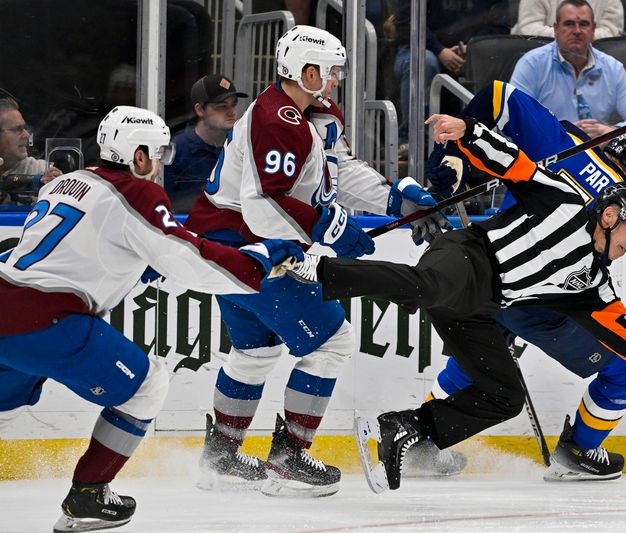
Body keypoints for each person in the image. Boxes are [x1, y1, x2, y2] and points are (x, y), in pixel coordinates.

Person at [287, 114, 626, 492]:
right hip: (468, 255)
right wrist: (467, 132)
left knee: (505, 396)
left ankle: (408, 429)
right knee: (428, 285)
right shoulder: (566, 197)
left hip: (485, 306)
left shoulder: (592, 283)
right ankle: (317, 272)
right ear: (613, 215)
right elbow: (515, 164)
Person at [0, 105, 303, 532]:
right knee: (146, 385)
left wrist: (140, 260)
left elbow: (80, 247)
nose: (159, 163)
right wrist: (257, 261)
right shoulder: (137, 192)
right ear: (137, 156)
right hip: (48, 317)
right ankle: (88, 494)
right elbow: (188, 259)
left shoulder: (69, 182)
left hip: (6, 304)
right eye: (156, 153)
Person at [184, 25, 442, 497]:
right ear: (305, 71)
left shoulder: (313, 113)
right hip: (253, 249)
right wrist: (330, 227)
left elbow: (337, 171)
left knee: (255, 351)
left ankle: (222, 458)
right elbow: (265, 202)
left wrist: (394, 199)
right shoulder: (277, 120)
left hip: (227, 249)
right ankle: (289, 460)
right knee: (331, 342)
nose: (337, 79)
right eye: (331, 71)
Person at [411, 80, 626, 480]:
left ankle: (420, 445)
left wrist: (446, 160)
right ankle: (580, 451)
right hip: (546, 303)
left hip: (493, 280)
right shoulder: (611, 191)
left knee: (474, 362)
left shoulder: (565, 146)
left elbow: (499, 96)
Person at [391, 0, 512, 147]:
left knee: (492, 58)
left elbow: (500, 24)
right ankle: (410, 141)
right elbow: (405, 23)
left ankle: (482, 143)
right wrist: (440, 50)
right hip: (421, 48)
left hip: (470, 50)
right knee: (424, 62)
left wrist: (472, 48)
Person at [510, 0, 626, 138]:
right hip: (546, 152)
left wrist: (610, 131)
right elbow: (515, 120)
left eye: (584, 24)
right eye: (569, 24)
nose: (577, 31)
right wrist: (561, 132)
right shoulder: (531, 64)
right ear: (556, 29)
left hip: (597, 153)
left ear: (593, 29)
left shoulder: (613, 68)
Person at [164, 74, 248, 213]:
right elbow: (163, 205)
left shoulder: (242, 147)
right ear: (200, 110)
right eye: (222, 107)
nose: (231, 112)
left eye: (234, 104)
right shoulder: (177, 150)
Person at [0, 98, 62, 205]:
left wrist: (60, 186)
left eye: (25, 128)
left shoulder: (42, 171)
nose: (27, 135)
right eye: (17, 129)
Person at [511, 0, 623, 40]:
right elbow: (527, 28)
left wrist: (580, 36)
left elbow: (612, 30)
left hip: (592, 54)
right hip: (539, 52)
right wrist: (565, 35)